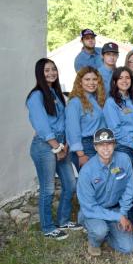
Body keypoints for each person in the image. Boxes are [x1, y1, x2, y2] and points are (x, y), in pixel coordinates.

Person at [26, 58, 81, 240]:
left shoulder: (55, 94)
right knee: (48, 188)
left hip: (61, 145)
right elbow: (42, 126)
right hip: (45, 147)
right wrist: (57, 148)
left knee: (70, 183)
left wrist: (64, 144)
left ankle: (63, 220)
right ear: (39, 73)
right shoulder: (36, 96)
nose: (51, 73)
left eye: (53, 69)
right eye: (46, 70)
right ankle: (48, 227)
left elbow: (64, 121)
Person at [76, 128, 133, 256]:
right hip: (93, 212)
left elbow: (129, 189)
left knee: (128, 248)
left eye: (109, 144)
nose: (106, 148)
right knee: (99, 230)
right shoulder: (86, 171)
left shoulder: (124, 160)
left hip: (115, 209)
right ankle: (94, 241)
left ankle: (108, 234)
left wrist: (123, 213)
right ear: (95, 147)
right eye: (101, 145)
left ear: (114, 144)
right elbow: (89, 206)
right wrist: (118, 217)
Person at [103, 67, 133, 222]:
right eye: (120, 78)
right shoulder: (111, 103)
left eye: (127, 77)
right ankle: (129, 218)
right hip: (124, 147)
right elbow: (115, 130)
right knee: (131, 184)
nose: (124, 81)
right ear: (115, 82)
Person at [66, 66, 106, 171]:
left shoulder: (97, 100)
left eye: (94, 79)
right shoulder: (75, 103)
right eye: (87, 79)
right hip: (85, 147)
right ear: (80, 82)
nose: (91, 83)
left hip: (99, 144)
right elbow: (72, 130)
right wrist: (81, 155)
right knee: (93, 181)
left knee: (100, 182)